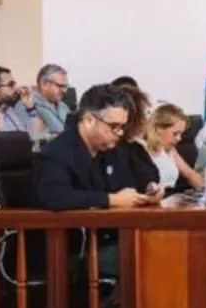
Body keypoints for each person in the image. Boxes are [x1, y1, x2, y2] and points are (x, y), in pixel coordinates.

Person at [32, 84, 157, 212]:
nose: (120, 133)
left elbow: (127, 187)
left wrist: (147, 193)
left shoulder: (112, 149)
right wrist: (111, 200)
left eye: (122, 127)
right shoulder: (56, 153)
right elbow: (55, 196)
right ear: (89, 120)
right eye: (114, 126)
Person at [142, 103, 204, 194]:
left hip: (172, 198)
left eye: (181, 134)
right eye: (175, 134)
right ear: (158, 129)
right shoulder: (140, 149)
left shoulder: (170, 149)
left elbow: (190, 174)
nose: (179, 138)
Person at [112, 84, 160, 193]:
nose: (146, 120)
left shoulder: (136, 147)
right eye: (144, 113)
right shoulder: (113, 150)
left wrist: (155, 189)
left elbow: (153, 179)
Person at [34, 63, 72, 137]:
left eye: (65, 86)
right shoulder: (29, 107)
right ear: (44, 84)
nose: (64, 91)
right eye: (60, 86)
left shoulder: (64, 106)